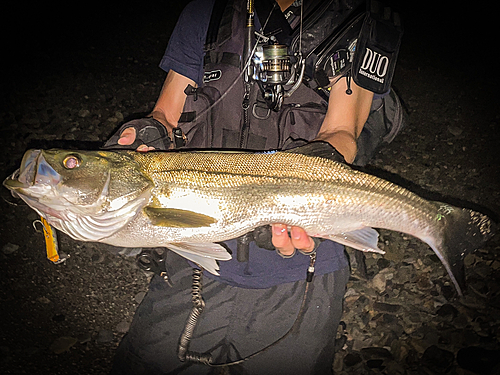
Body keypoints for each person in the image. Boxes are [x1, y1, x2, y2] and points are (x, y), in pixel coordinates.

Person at [106, 0, 404, 373]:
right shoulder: (206, 12)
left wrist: (295, 204)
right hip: (193, 260)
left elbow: (341, 132)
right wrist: (147, 133)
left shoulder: (352, 19)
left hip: (302, 273)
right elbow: (167, 114)